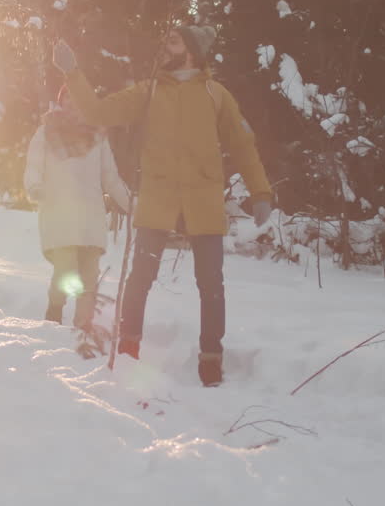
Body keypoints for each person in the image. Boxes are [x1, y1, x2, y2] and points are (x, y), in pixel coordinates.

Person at [52, 25, 273, 387]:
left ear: (191, 50)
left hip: (203, 201)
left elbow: (243, 146)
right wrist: (71, 72)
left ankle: (211, 357)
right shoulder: (149, 91)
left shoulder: (216, 95)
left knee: (211, 284)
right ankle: (128, 347)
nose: (165, 47)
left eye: (173, 41)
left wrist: (261, 192)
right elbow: (96, 112)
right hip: (158, 200)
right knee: (140, 279)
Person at [24, 87, 130, 331]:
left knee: (90, 276)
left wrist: (131, 206)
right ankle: (54, 313)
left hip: (90, 215)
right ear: (61, 103)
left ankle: (83, 327)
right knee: (66, 268)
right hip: (59, 211)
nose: (73, 104)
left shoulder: (98, 136)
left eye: (78, 99)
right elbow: (33, 165)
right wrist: (35, 186)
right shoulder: (46, 132)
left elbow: (110, 177)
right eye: (67, 99)